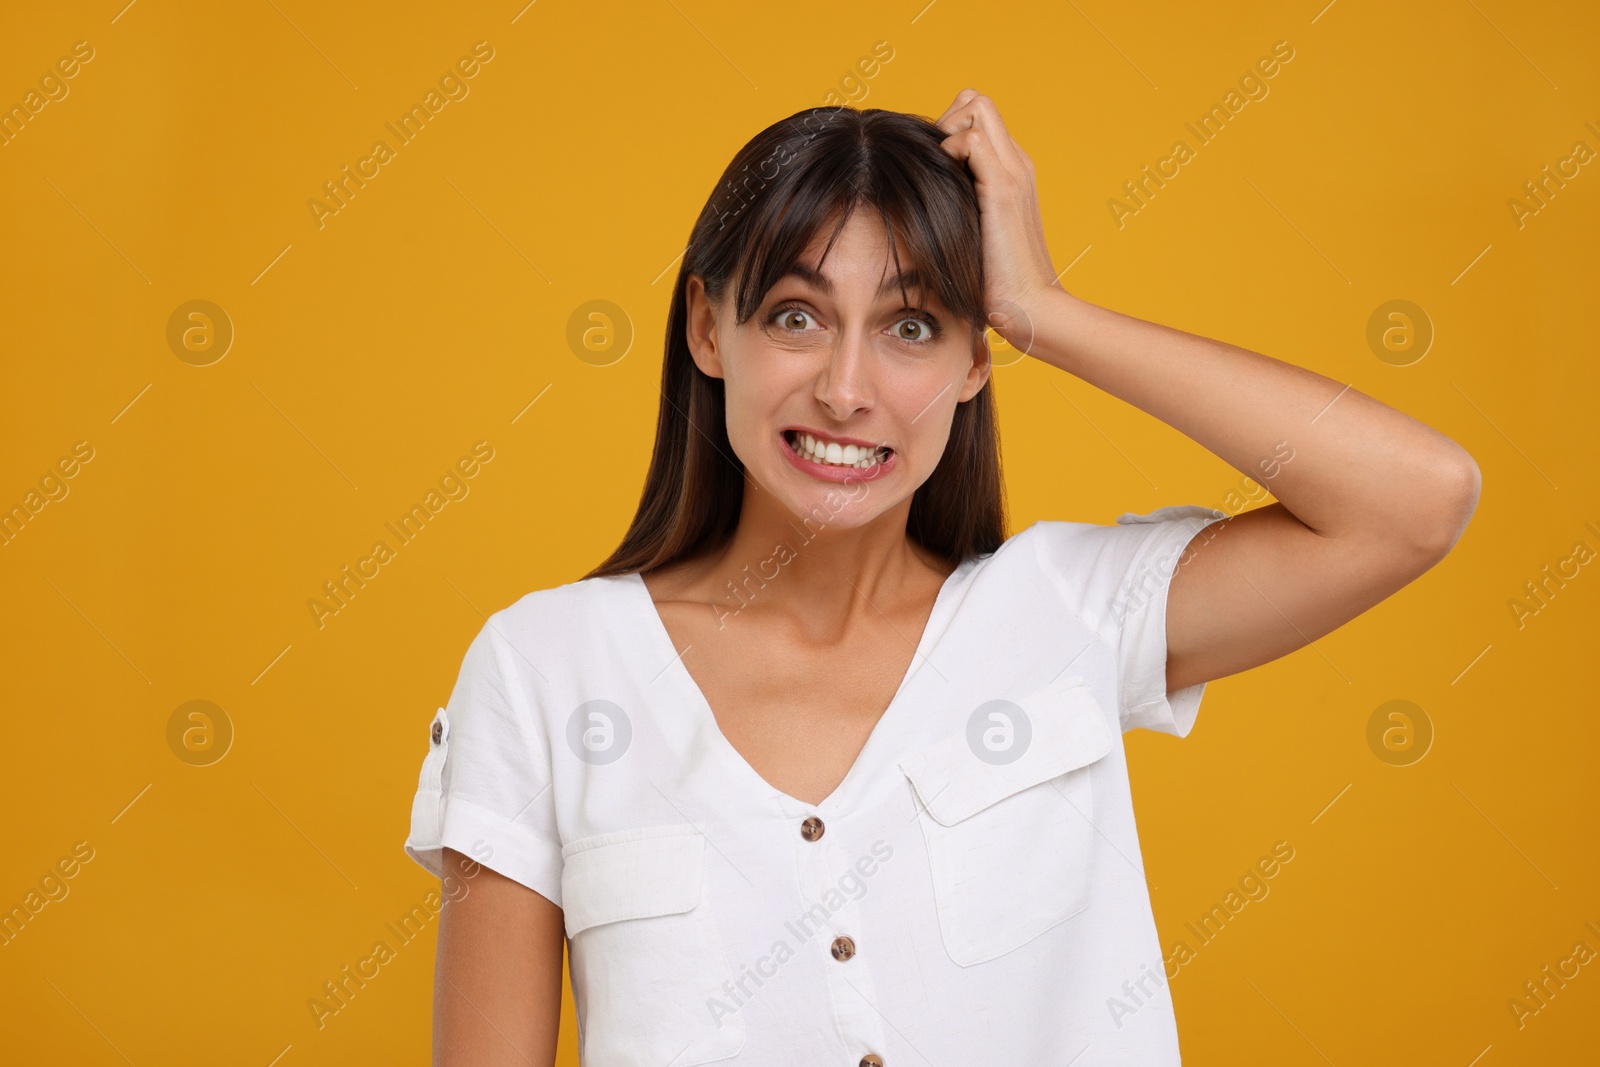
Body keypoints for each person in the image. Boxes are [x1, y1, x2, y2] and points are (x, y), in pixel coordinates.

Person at [404, 91, 1479, 1066]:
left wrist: (1045, 313)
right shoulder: (543, 667)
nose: (844, 387)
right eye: (794, 315)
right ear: (706, 328)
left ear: (975, 361)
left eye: (911, 326)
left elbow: (1418, 499)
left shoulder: (1065, 612)